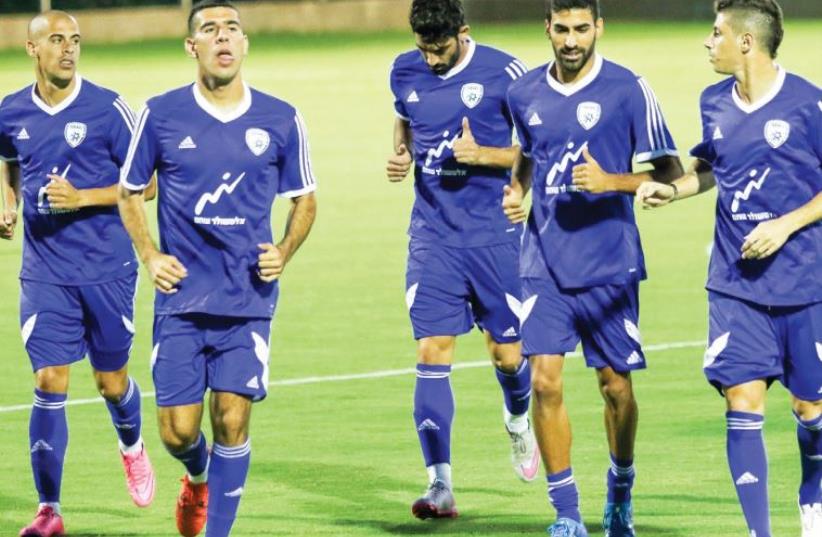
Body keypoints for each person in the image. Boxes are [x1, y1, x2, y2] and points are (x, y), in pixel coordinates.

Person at [117, 1, 317, 536]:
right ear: (192, 47)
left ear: (245, 44)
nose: (223, 38)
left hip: (247, 300)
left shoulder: (280, 117)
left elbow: (305, 199)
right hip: (181, 300)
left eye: (232, 29)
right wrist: (150, 255)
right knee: (178, 433)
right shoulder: (159, 114)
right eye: (209, 30)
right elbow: (129, 193)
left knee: (232, 418)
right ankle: (197, 475)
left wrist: (284, 249)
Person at [637, 1, 821, 535]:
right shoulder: (712, 101)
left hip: (804, 283)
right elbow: (715, 166)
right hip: (734, 284)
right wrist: (672, 189)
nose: (706, 42)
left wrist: (784, 225)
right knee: (743, 400)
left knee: (811, 408)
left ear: (746, 42)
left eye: (715, 33)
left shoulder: (808, 103)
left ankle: (812, 487)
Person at [504, 0, 684, 534]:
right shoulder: (524, 92)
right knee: (544, 381)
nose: (572, 40)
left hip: (609, 264)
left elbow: (670, 171)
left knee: (615, 388)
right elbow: (529, 152)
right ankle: (566, 514)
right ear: (548, 29)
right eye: (562, 29)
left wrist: (615, 182)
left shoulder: (629, 88)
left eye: (583, 29)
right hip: (544, 263)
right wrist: (518, 190)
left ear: (599, 28)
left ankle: (620, 490)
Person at [0, 11, 157, 537]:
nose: (69, 49)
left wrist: (82, 197)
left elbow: (148, 184)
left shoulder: (109, 108)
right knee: (49, 381)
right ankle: (49, 510)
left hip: (106, 270)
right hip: (44, 272)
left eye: (75, 41)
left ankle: (132, 446)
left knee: (112, 382)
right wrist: (8, 200)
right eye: (57, 40)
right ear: (31, 48)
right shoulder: (11, 110)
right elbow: (8, 158)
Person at [386, 0, 541, 520]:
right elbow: (404, 116)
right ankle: (440, 485)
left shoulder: (506, 72)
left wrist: (488, 158)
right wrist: (402, 152)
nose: (430, 60)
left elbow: (538, 145)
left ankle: (518, 419)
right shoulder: (404, 69)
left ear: (464, 33)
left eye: (440, 48)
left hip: (496, 236)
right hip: (433, 236)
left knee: (509, 356)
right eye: (422, 48)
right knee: (432, 350)